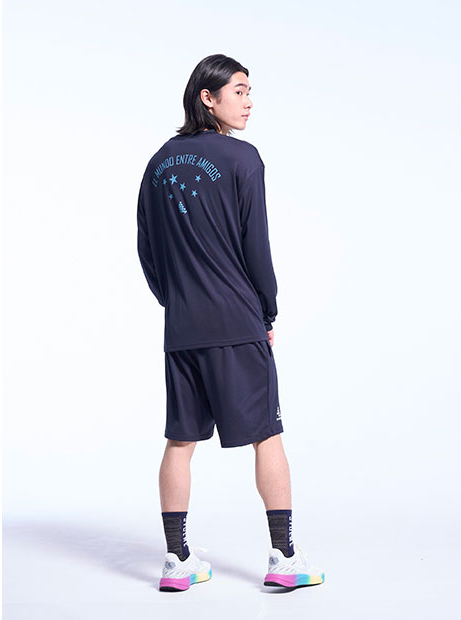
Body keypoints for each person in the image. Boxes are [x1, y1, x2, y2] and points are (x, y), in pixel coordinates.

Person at [137, 54, 325, 592]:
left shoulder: (158, 162)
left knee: (180, 440)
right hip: (237, 321)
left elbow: (146, 248)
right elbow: (255, 245)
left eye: (248, 91)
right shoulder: (243, 158)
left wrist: (176, 302)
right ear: (208, 97)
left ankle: (177, 562)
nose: (248, 102)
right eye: (239, 91)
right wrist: (266, 310)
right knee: (267, 435)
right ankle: (283, 558)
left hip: (182, 327)